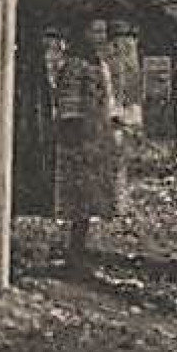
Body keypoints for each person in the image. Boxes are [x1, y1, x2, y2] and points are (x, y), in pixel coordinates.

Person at [53, 14, 122, 274]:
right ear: (82, 34)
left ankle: (80, 249)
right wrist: (76, 138)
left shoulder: (100, 64)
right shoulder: (73, 65)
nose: (100, 36)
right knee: (78, 199)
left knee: (92, 199)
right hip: (79, 140)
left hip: (97, 138)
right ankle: (74, 253)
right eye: (94, 30)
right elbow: (68, 108)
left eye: (103, 31)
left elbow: (108, 101)